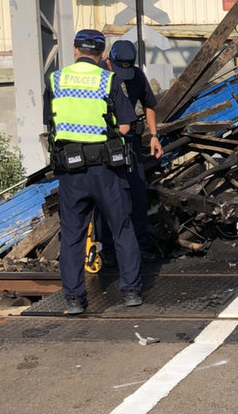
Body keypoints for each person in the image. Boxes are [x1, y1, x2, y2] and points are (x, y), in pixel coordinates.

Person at [43, 29, 143, 314]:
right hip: (106, 170)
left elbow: (51, 123)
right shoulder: (107, 79)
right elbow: (125, 124)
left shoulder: (55, 79)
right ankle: (132, 291)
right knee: (122, 228)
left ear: (75, 49)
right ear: (102, 54)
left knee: (72, 234)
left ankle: (74, 299)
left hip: (71, 170)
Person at [94, 39, 164, 264]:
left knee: (137, 195)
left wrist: (154, 136)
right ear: (108, 60)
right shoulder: (98, 77)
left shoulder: (137, 76)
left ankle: (139, 247)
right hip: (103, 144)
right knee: (106, 197)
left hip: (130, 142)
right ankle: (109, 250)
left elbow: (149, 104)